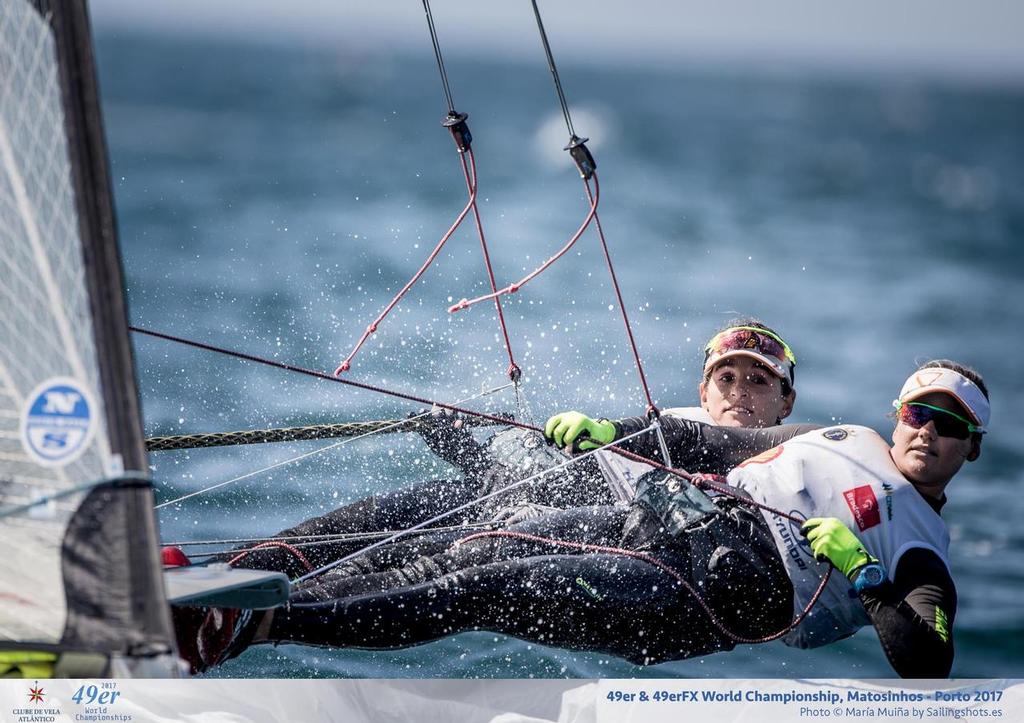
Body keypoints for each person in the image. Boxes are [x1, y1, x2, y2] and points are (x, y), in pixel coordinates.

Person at [179, 358, 986, 678]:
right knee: (468, 540)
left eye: (950, 425)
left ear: (969, 449)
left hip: (698, 596)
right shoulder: (829, 436)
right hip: (665, 531)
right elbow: (696, 435)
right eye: (921, 410)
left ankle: (250, 624)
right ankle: (225, 597)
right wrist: (613, 430)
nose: (929, 430)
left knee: (489, 581)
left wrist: (865, 570)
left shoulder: (922, 550)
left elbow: (923, 658)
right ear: (898, 408)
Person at [206, 319, 804, 578]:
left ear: (785, 404)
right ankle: (219, 580)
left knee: (386, 559)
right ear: (703, 389)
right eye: (726, 379)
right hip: (495, 495)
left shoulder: (779, 452)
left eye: (758, 382)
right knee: (347, 524)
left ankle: (256, 618)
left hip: (538, 530)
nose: (739, 393)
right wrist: (460, 448)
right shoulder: (668, 420)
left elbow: (575, 499)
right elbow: (540, 476)